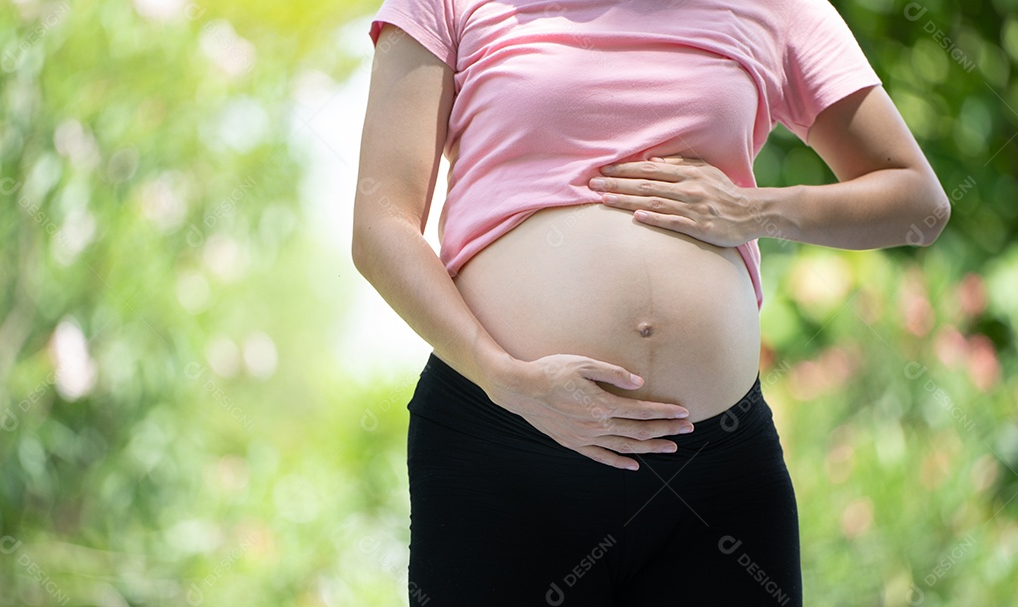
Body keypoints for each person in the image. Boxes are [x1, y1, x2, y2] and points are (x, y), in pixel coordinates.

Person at [352, 0, 949, 604]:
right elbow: (381, 227)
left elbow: (919, 202)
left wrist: (756, 209)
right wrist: (502, 378)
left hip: (716, 467)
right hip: (505, 438)